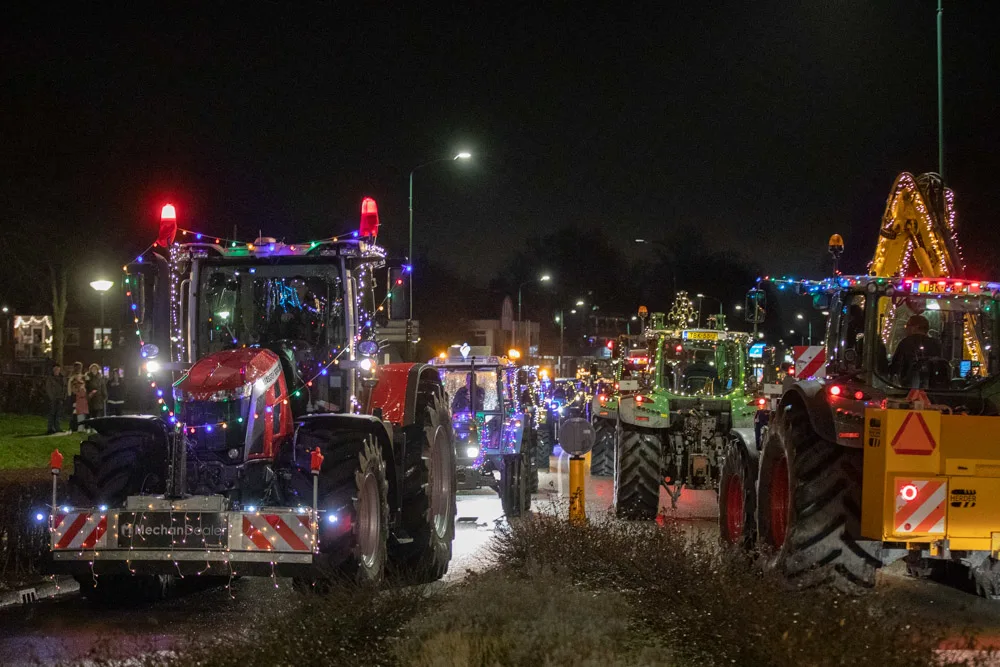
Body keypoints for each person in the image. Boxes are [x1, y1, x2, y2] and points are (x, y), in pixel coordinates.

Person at [890, 315, 942, 387]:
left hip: (908, 387)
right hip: (932, 387)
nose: (906, 328)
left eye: (908, 325)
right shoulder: (936, 344)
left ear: (915, 327)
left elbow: (896, 365)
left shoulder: (906, 343)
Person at [45, 364, 65, 434]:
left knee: (58, 414)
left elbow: (64, 388)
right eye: (56, 370)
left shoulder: (61, 378)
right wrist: (52, 397)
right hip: (53, 398)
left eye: (58, 370)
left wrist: (63, 397)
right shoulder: (50, 378)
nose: (57, 371)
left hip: (60, 398)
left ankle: (57, 427)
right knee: (52, 413)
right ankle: (50, 428)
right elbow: (48, 388)